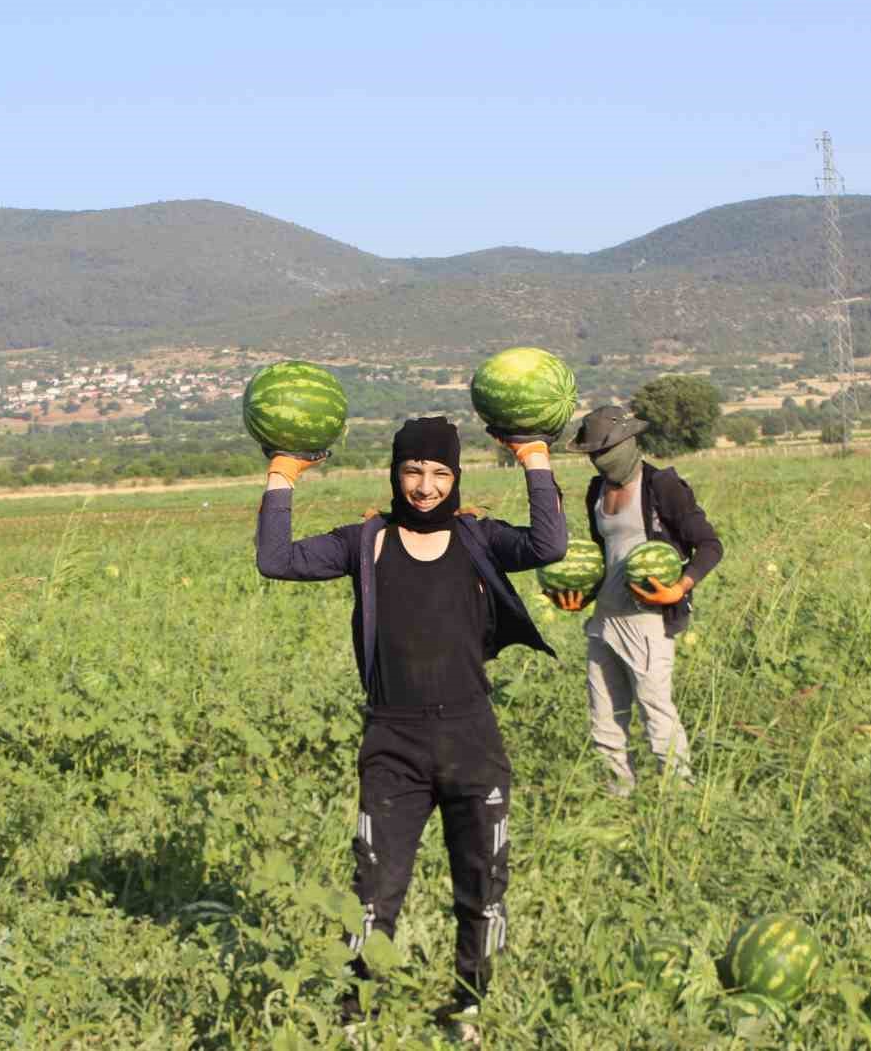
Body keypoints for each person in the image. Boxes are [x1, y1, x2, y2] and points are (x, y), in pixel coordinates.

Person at [255, 416, 565, 1040]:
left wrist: (533, 457)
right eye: (413, 472)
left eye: (440, 472)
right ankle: (354, 1017)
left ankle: (470, 1006)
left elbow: (549, 547)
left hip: (472, 740)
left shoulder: (479, 538)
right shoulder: (364, 541)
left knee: (482, 884)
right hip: (392, 745)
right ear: (395, 475)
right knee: (375, 889)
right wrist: (282, 475)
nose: (426, 487)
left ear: (457, 476)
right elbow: (276, 559)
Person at [546, 406, 722, 797]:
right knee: (604, 717)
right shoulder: (597, 490)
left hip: (648, 621)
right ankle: (618, 793)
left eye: (605, 451)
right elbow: (602, 554)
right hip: (604, 619)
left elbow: (709, 546)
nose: (599, 460)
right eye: (593, 454)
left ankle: (679, 795)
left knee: (655, 710)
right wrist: (581, 595)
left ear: (629, 444)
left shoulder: (663, 486)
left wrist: (681, 587)